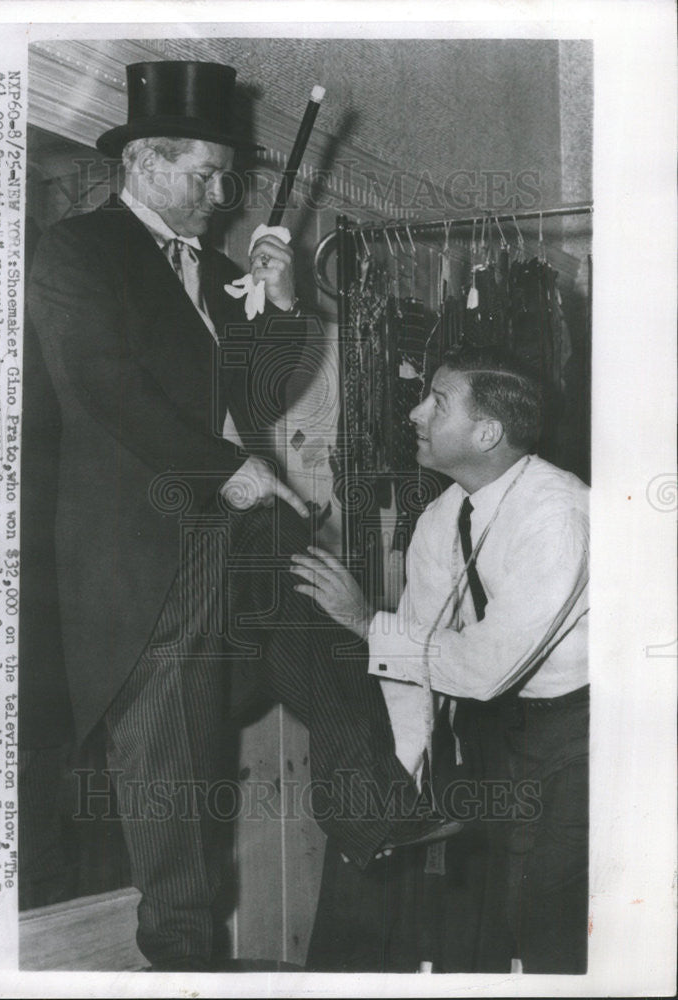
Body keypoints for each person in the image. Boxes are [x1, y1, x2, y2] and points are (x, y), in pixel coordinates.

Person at [27, 60, 446, 971]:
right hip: (140, 555)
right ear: (142, 160)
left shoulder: (217, 271)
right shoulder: (76, 251)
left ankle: (368, 812)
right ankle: (182, 962)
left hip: (231, 530)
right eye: (200, 175)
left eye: (228, 178)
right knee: (170, 760)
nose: (220, 196)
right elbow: (106, 386)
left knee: (328, 638)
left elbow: (250, 387)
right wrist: (231, 475)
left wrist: (281, 307)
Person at [292, 345, 589, 973]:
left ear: (487, 432)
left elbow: (480, 669)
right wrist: (392, 801)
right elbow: (413, 670)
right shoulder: (441, 517)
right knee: (493, 903)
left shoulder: (556, 517)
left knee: (546, 910)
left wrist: (363, 620)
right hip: (499, 727)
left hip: (582, 727)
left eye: (438, 400)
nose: (415, 411)